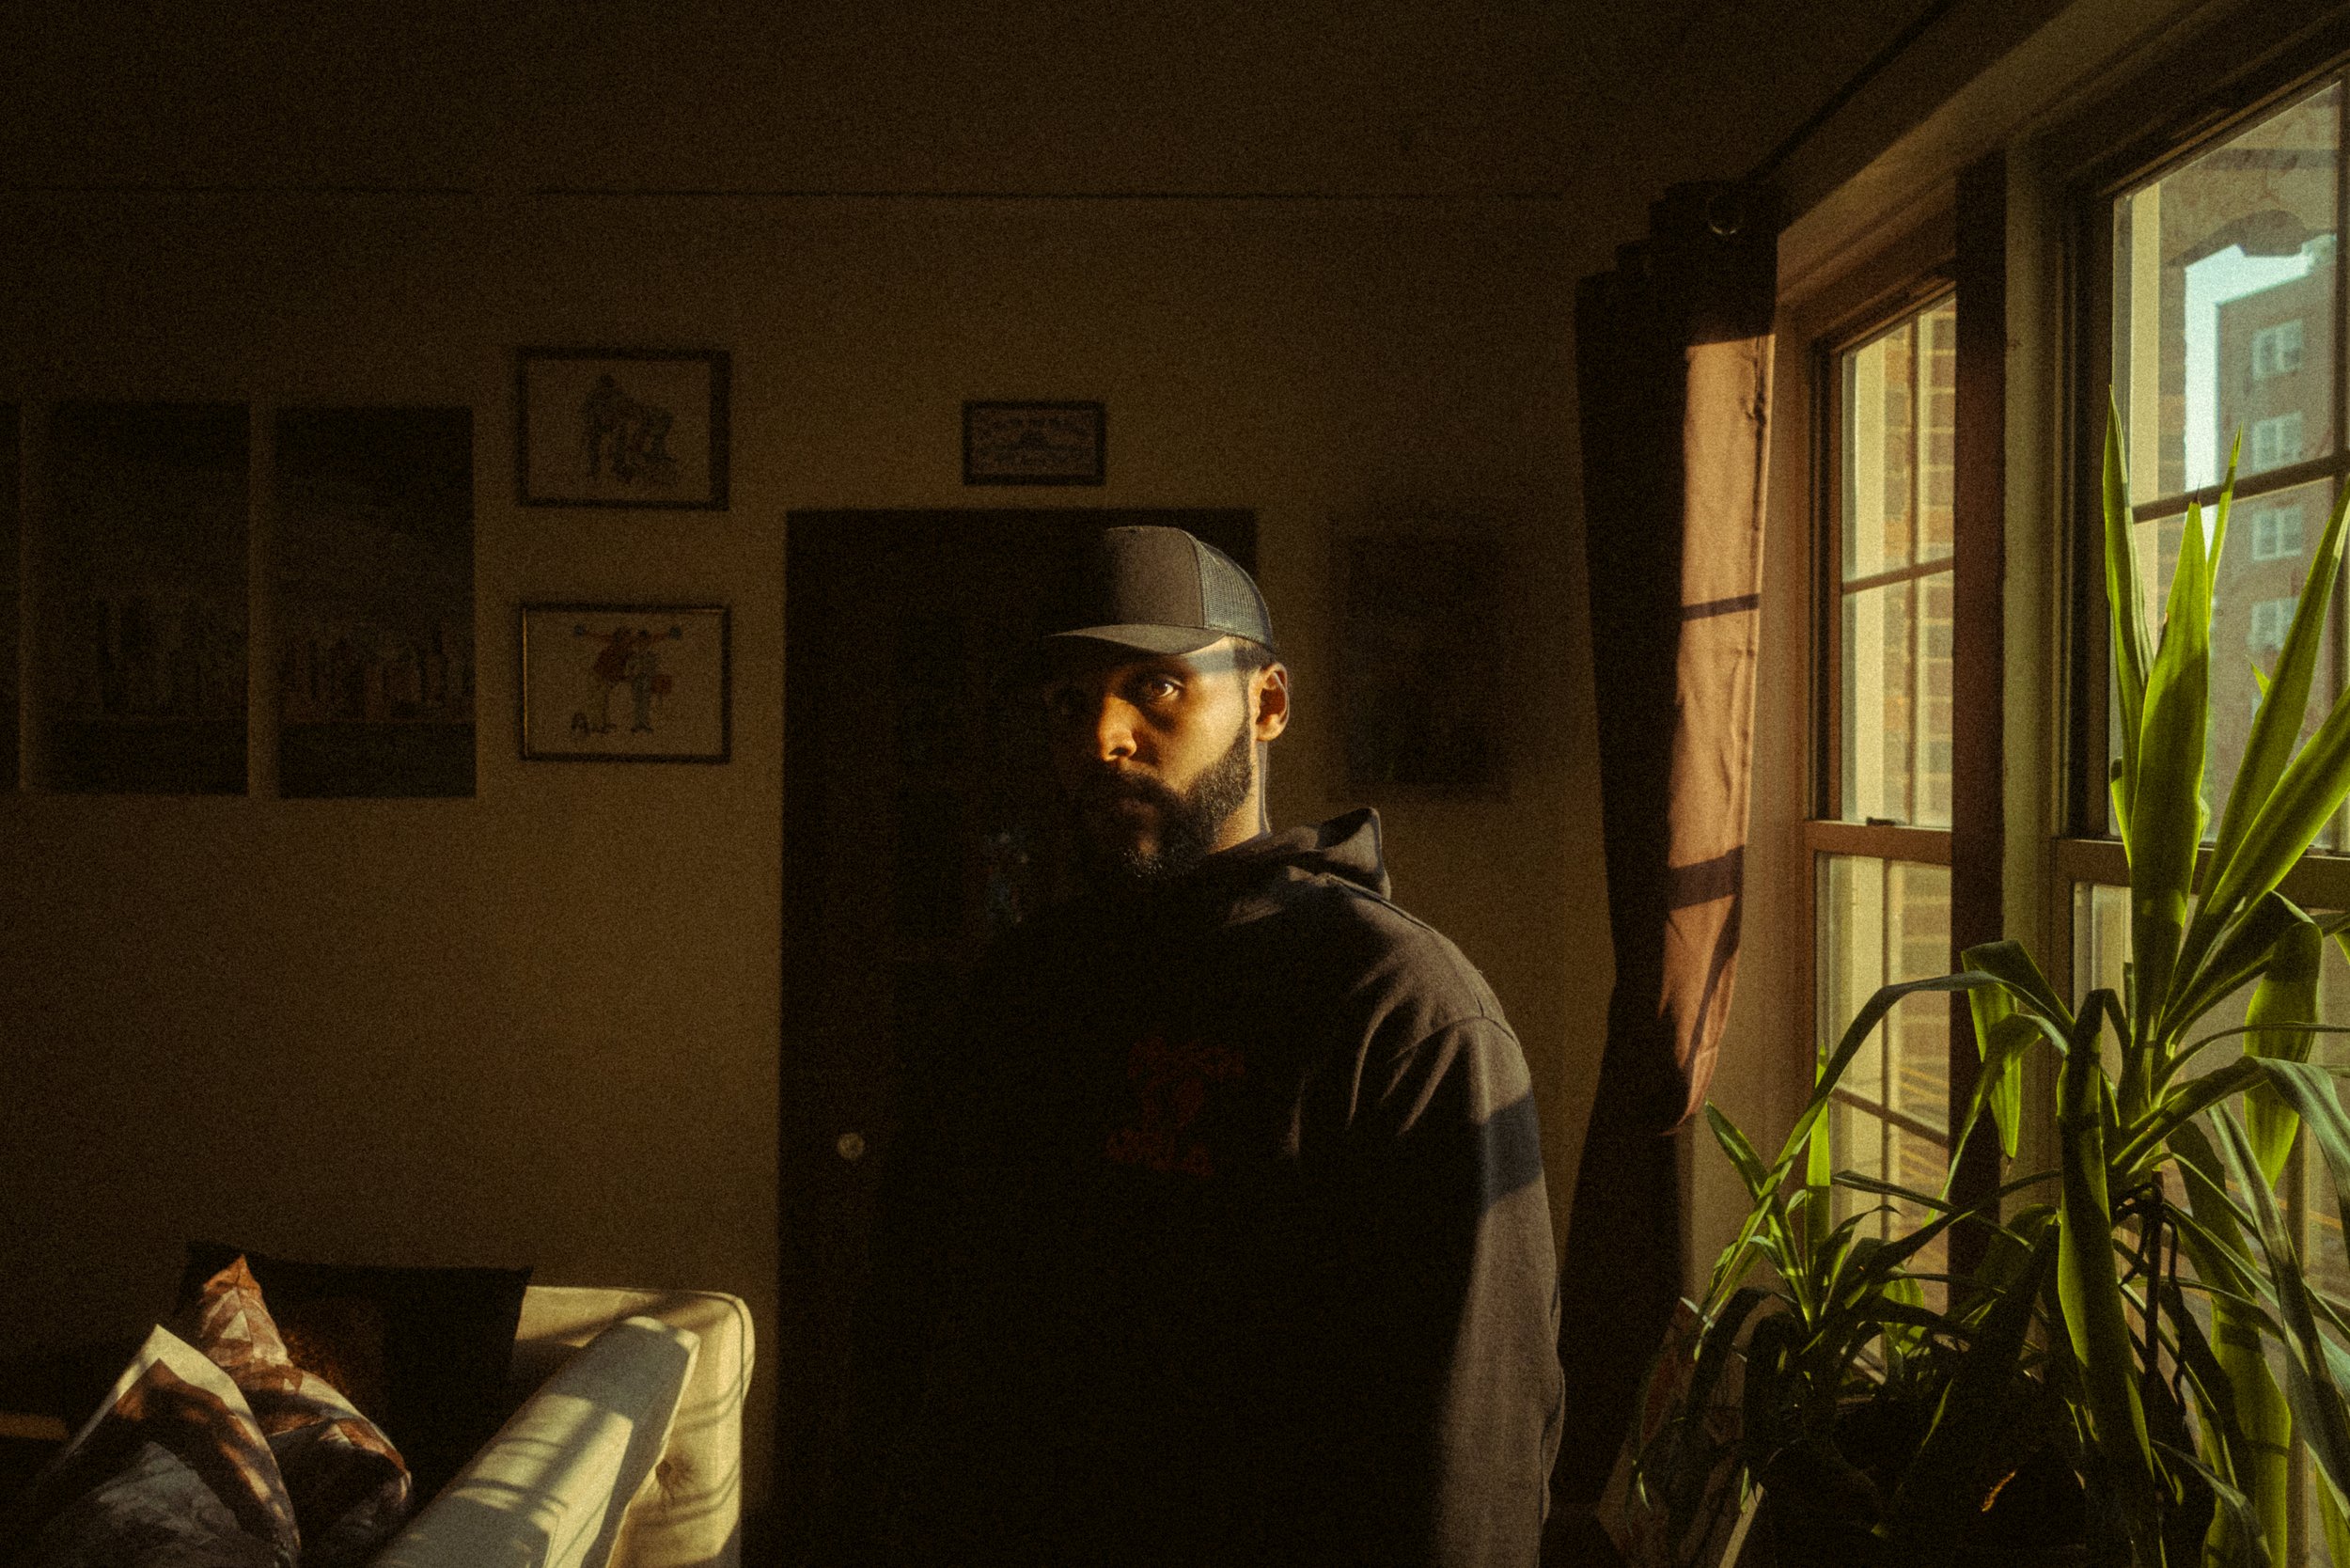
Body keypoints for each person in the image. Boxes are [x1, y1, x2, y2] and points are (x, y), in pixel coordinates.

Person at [832, 525, 1563, 1566]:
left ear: (1266, 703)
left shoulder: (1397, 1007)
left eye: (1156, 689)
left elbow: (1473, 1438)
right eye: (1067, 705)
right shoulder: (1025, 985)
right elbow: (911, 1326)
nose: (1103, 738)